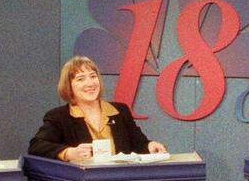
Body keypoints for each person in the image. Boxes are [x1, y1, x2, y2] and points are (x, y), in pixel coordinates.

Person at [28, 56, 166, 161]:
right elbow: (36, 146)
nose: (90, 83)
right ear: (69, 86)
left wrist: (150, 146)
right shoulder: (59, 117)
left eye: (93, 76)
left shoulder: (120, 111)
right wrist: (68, 152)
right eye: (81, 79)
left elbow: (139, 144)